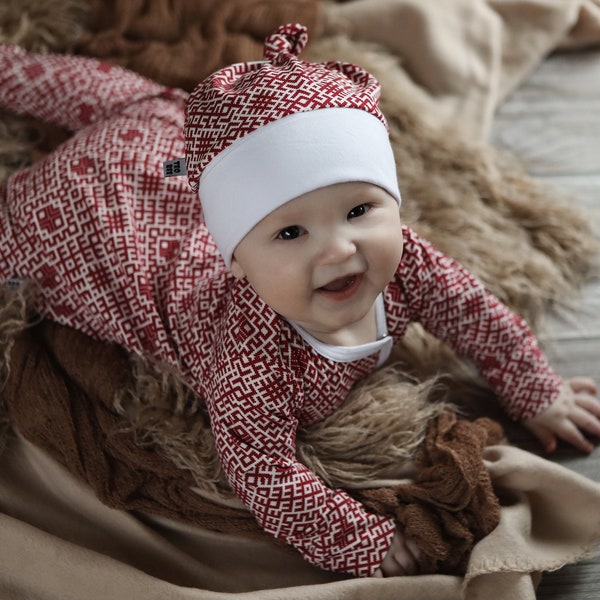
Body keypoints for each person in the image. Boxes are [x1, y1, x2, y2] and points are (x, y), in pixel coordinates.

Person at [0, 23, 599, 579]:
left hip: (161, 139)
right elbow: (261, 470)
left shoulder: (409, 261)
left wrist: (534, 388)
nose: (339, 250)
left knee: (149, 106)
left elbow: (475, 313)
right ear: (234, 260)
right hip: (91, 227)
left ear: (395, 202)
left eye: (360, 210)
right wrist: (360, 537)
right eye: (291, 233)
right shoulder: (249, 352)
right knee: (48, 176)